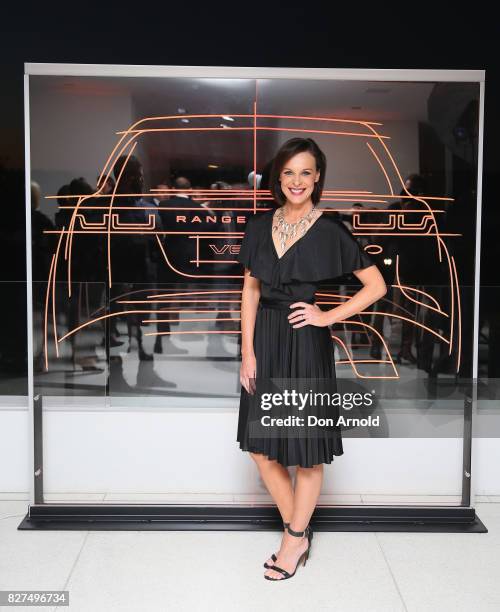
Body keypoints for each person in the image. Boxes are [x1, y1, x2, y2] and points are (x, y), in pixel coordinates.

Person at [236, 137, 386, 581]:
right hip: (265, 339)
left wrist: (328, 316)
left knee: (307, 453)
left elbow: (376, 286)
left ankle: (292, 540)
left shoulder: (330, 229)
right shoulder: (260, 226)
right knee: (261, 449)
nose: (296, 181)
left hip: (305, 344)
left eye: (305, 172)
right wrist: (247, 352)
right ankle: (298, 531)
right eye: (288, 172)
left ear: (317, 177)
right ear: (276, 178)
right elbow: (249, 290)